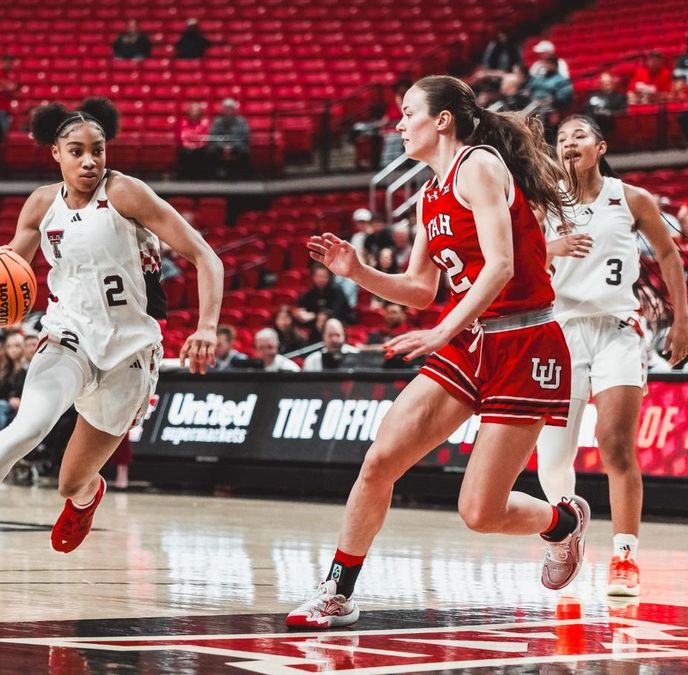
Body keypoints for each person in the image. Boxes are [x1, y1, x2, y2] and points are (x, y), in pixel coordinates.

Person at [0, 97, 222, 593]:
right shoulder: (42, 205)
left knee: (70, 482)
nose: (89, 161)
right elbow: (9, 268)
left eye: (97, 150)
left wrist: (207, 326)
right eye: (76, 151)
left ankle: (85, 496)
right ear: (55, 154)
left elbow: (206, 256)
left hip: (129, 353)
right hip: (68, 337)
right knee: (28, 427)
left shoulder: (125, 193)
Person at [287, 75, 583, 628]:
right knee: (380, 461)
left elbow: (502, 265)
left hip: (525, 342)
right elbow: (421, 289)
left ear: (442, 120)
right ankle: (338, 592)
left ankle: (562, 523)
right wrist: (358, 271)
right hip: (472, 339)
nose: (399, 125)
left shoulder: (479, 166)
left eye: (408, 113)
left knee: (479, 512)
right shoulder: (429, 194)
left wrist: (443, 331)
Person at [536, 115, 688, 599]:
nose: (568, 143)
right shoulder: (543, 202)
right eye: (561, 138)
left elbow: (669, 255)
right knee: (552, 457)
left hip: (618, 330)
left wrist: (682, 320)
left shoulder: (631, 198)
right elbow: (515, 260)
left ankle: (624, 556)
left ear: (600, 147)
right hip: (561, 333)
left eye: (578, 135)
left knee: (616, 443)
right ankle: (566, 533)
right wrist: (552, 247)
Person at [0, 332, 28, 438]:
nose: (13, 350)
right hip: (6, 403)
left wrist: (18, 399)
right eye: (9, 346)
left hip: (24, 403)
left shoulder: (27, 367)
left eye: (17, 346)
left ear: (23, 347)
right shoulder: (3, 369)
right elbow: (0, 391)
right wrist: (2, 398)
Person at [205, 99, 250, 179]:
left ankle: (239, 175)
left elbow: (244, 136)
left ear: (234, 109)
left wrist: (232, 146)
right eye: (226, 108)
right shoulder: (217, 121)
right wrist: (223, 146)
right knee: (210, 150)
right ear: (223, 110)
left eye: (230, 108)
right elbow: (213, 136)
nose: (228, 111)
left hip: (237, 146)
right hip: (220, 146)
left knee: (244, 150)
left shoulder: (242, 121)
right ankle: (215, 174)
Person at [176, 102, 211, 178]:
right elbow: (181, 137)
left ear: (201, 113)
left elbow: (205, 138)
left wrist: (196, 145)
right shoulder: (182, 123)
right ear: (189, 112)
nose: (195, 113)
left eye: (197, 111)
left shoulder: (205, 123)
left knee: (208, 150)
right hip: (186, 147)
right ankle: (184, 176)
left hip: (200, 148)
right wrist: (189, 145)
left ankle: (202, 176)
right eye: (193, 111)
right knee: (181, 150)